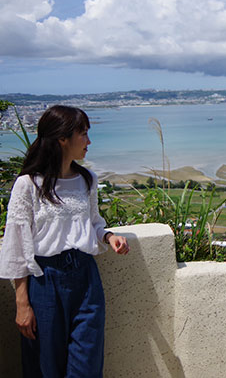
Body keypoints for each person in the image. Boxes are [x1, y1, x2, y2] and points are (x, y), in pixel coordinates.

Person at [0, 105, 129, 378]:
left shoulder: (86, 180)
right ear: (62, 138)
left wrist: (108, 236)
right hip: (44, 280)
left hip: (86, 278)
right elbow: (17, 246)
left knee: (87, 363)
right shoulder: (28, 184)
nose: (89, 142)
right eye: (83, 134)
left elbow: (93, 222)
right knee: (46, 366)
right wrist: (22, 304)